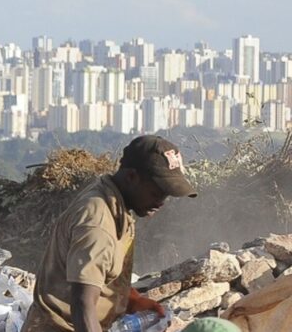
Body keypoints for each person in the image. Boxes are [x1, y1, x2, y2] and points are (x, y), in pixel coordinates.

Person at [22, 135, 198, 332]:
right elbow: (82, 303)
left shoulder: (115, 204)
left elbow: (101, 274)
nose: (161, 202)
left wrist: (131, 301)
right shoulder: (98, 223)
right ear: (132, 177)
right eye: (157, 193)